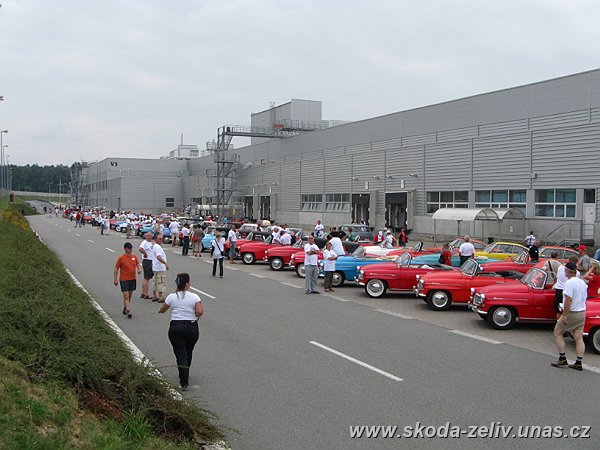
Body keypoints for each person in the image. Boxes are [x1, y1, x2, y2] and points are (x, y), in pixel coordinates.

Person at [158, 273, 203, 391]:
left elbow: (163, 309)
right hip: (191, 327)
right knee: (188, 351)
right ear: (187, 284)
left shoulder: (172, 297)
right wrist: (195, 313)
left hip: (176, 327)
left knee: (180, 353)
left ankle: (184, 381)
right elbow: (199, 311)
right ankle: (185, 371)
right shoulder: (194, 297)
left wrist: (160, 311)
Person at [551, 261, 587, 371]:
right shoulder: (582, 282)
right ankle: (579, 361)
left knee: (557, 332)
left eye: (565, 270)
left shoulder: (569, 283)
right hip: (582, 312)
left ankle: (562, 358)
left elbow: (568, 299)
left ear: (568, 271)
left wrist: (564, 314)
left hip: (572, 313)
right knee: (578, 337)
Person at [113, 242, 141, 319]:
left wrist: (139, 269)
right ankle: (128, 310)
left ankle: (125, 307)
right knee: (126, 295)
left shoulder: (134, 257)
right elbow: (116, 268)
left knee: (130, 295)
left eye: (131, 248)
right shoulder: (121, 258)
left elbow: (138, 264)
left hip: (132, 279)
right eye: (129, 248)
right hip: (124, 279)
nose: (130, 250)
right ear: (125, 249)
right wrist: (115, 279)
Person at [152, 234, 170, 303]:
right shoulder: (157, 247)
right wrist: (165, 263)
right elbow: (158, 257)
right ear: (155, 239)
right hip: (160, 267)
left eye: (162, 239)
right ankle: (160, 297)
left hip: (155, 267)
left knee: (155, 281)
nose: (161, 240)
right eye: (159, 239)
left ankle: (154, 295)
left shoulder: (156, 246)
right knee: (160, 282)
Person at [138, 232, 154, 299]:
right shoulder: (145, 242)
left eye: (150, 236)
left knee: (146, 278)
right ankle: (145, 293)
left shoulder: (150, 243)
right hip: (147, 261)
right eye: (148, 236)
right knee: (147, 278)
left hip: (149, 261)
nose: (150, 237)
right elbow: (140, 249)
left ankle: (143, 292)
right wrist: (145, 254)